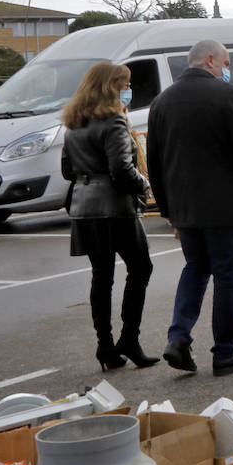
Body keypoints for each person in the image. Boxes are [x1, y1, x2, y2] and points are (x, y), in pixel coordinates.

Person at [148, 39, 233, 376]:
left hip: (185, 208)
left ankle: (178, 338)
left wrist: (167, 208)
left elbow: (154, 162)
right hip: (222, 206)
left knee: (196, 268)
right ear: (209, 61)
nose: (226, 69)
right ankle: (225, 351)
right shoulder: (227, 95)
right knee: (228, 275)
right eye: (225, 63)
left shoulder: (161, 102)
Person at [60, 62, 157, 371]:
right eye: (125, 85)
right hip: (115, 207)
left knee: (102, 276)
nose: (128, 90)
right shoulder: (114, 121)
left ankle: (105, 345)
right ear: (112, 87)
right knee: (140, 268)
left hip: (85, 207)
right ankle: (129, 338)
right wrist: (146, 185)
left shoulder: (75, 123)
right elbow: (121, 171)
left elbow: (67, 170)